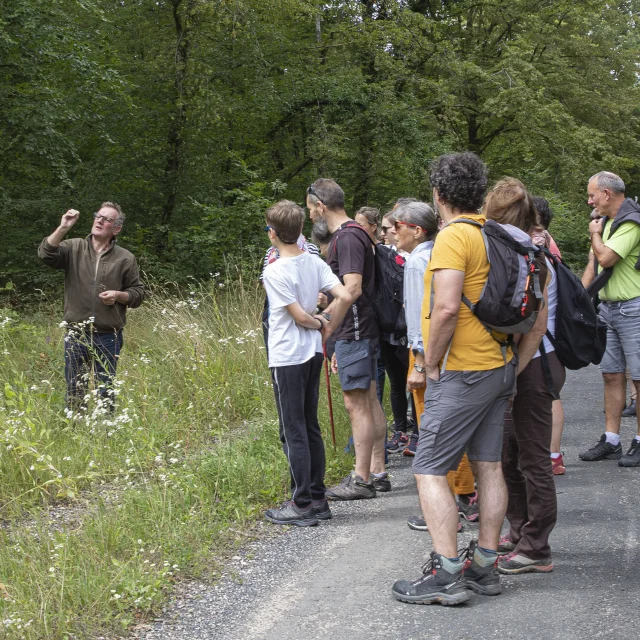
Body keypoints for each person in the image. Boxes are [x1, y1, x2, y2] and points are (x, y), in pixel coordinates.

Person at [392, 152, 517, 606]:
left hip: (463, 370)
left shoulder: (452, 239)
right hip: (499, 366)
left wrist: (430, 363)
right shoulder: (499, 234)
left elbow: (445, 308)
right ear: (480, 192)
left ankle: (446, 573)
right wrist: (514, 364)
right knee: (488, 465)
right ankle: (484, 566)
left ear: (438, 194)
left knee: (427, 467)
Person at [480, 178, 562, 575]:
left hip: (533, 366)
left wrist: (514, 373)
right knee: (507, 456)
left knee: (532, 458)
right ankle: (520, 532)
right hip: (516, 366)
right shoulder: (517, 251)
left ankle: (537, 547)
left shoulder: (533, 257)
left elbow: (537, 326)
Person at [262, 201, 352, 527]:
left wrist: (319, 321)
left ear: (272, 233)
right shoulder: (314, 262)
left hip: (287, 355)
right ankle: (318, 497)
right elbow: (343, 294)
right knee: (309, 423)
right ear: (300, 231)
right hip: (313, 353)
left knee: (294, 427)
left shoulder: (274, 271)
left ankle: (301, 503)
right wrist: (328, 321)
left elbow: (299, 317)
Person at [391, 200, 477, 532]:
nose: (394, 232)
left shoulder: (417, 261)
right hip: (454, 349)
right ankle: (465, 494)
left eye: (397, 226)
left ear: (416, 229)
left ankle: (459, 498)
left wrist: (419, 362)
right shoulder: (442, 250)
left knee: (434, 429)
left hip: (428, 352)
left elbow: (418, 314)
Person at [306, 179, 389, 499]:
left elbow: (353, 288)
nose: (310, 214)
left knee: (356, 404)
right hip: (361, 328)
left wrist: (330, 323)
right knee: (368, 400)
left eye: (311, 208)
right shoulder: (355, 233)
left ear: (322, 206)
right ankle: (377, 472)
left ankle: (362, 478)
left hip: (354, 330)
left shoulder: (347, 237)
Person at [38, 204, 144, 410]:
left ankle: (106, 434)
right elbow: (46, 254)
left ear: (116, 229)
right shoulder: (73, 247)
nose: (100, 221)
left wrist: (118, 295)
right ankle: (76, 432)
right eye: (98, 216)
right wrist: (63, 227)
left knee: (106, 389)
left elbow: (138, 294)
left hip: (109, 335)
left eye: (107, 219)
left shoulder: (125, 258)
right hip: (76, 333)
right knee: (75, 389)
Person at [580, 171, 640, 467]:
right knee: (611, 374)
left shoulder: (631, 222)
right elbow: (594, 262)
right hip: (608, 308)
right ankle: (612, 440)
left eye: (592, 195)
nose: (589, 201)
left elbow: (605, 259)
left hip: (634, 307)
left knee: (639, 380)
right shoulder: (608, 223)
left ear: (606, 194)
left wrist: (594, 233)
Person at [353, 206, 414, 453]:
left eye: (393, 228)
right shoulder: (375, 254)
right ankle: (400, 430)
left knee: (412, 382)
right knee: (396, 382)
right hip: (386, 326)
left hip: (407, 327)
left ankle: (418, 433)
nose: (392, 233)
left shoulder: (409, 256)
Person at [530, 196, 567, 475]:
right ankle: (552, 455)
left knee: (549, 399)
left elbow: (534, 318)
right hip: (548, 349)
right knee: (551, 399)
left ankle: (551, 456)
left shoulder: (540, 263)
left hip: (542, 350)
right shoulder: (545, 256)